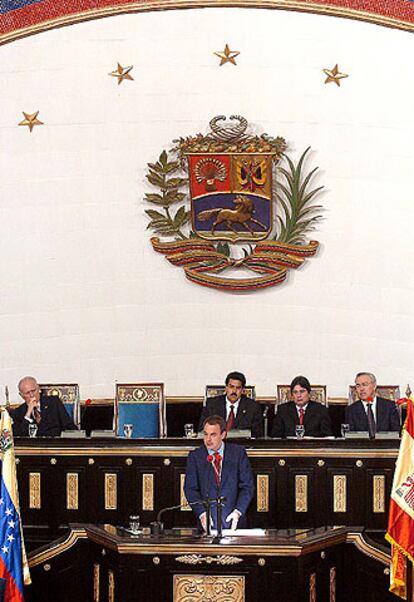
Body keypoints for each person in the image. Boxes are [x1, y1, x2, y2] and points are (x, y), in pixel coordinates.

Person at [184, 415, 254, 531]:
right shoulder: (196, 456)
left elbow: (247, 487)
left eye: (213, 435)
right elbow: (190, 489)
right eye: (205, 434)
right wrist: (202, 514)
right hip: (207, 524)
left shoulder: (238, 453)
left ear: (223, 435)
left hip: (234, 522)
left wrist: (238, 511)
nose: (208, 439)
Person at [198, 371, 264, 438]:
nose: (234, 391)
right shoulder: (212, 404)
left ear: (242, 390)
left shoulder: (253, 407)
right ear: (226, 388)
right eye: (231, 387)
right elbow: (202, 430)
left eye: (238, 388)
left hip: (242, 446)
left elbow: (257, 435)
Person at [11, 376, 77, 437]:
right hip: (33, 448)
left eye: (33, 391)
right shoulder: (18, 412)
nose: (31, 395)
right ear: (21, 395)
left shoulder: (54, 403)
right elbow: (18, 436)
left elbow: (69, 427)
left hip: (55, 445)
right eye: (27, 393)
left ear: (38, 389)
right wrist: (28, 413)